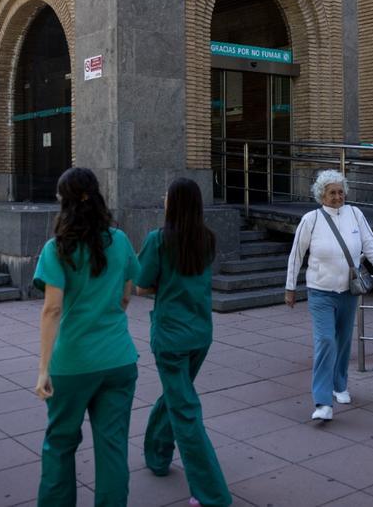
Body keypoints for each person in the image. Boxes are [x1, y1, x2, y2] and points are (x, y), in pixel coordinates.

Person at [33, 167, 139, 507]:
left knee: (60, 444)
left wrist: (43, 368)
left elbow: (52, 310)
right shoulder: (120, 240)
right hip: (119, 358)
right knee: (113, 448)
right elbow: (127, 292)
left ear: (65, 201)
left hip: (73, 362)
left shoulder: (57, 248)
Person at [135, 178, 232, 507]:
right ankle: (157, 455)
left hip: (170, 337)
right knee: (178, 396)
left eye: (167, 196)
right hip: (200, 334)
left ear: (173, 203)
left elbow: (142, 286)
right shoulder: (207, 238)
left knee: (185, 410)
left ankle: (211, 494)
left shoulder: (158, 240)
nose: (163, 199)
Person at [285, 169, 373, 421]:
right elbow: (296, 255)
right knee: (326, 340)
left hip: (349, 291)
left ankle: (339, 385)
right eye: (332, 193)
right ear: (321, 195)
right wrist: (290, 287)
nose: (338, 197)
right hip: (320, 292)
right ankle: (323, 401)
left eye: (340, 192)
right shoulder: (311, 220)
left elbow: (371, 246)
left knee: (344, 340)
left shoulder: (355, 214)